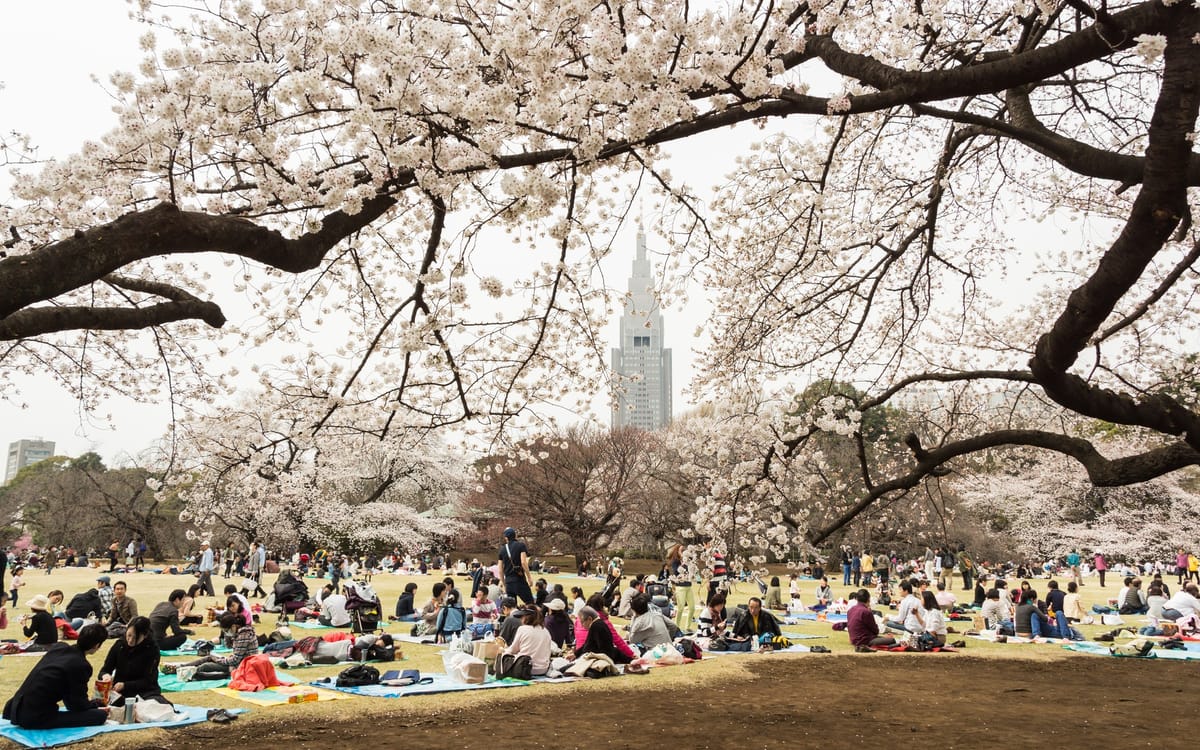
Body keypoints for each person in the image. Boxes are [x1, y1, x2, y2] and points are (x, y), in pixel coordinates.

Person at [2, 624, 108, 729]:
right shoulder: (81, 665)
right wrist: (94, 705)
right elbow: (76, 705)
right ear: (97, 645)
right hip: (35, 717)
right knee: (100, 716)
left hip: (15, 708)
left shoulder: (59, 647)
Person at [164, 612, 256, 678]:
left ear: (233, 626)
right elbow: (229, 646)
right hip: (237, 663)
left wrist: (217, 660)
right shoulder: (238, 633)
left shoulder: (243, 635)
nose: (226, 633)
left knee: (206, 666)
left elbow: (235, 660)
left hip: (241, 667)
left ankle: (186, 672)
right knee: (208, 657)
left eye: (226, 630)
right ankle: (180, 667)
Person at [98, 617, 166, 706]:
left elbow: (148, 681)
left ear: (145, 635)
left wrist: (125, 685)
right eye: (129, 635)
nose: (130, 640)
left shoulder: (152, 649)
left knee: (156, 704)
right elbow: (105, 670)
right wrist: (105, 676)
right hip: (119, 692)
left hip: (144, 692)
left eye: (135, 638)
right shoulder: (120, 645)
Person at [504, 605, 553, 676]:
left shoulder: (522, 629)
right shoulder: (545, 631)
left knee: (503, 656)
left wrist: (503, 651)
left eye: (522, 617)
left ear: (526, 617)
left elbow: (513, 650)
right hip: (543, 669)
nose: (521, 620)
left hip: (525, 668)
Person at [498, 527, 535, 605]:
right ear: (515, 536)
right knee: (530, 604)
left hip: (508, 581)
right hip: (519, 580)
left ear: (506, 538)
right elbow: (523, 562)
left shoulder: (502, 549)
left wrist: (504, 584)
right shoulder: (521, 546)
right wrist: (529, 577)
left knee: (512, 607)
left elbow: (500, 570)